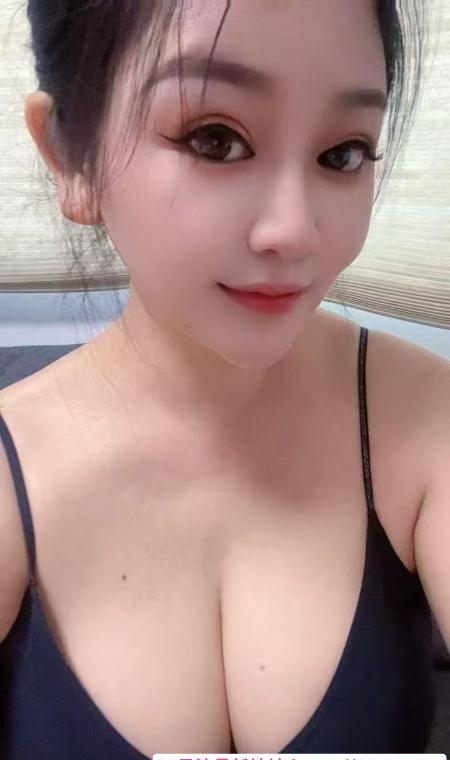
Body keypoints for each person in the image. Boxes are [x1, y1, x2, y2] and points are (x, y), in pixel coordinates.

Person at [0, 0, 449, 756]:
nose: (293, 231)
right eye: (216, 139)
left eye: (343, 153)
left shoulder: (425, 421)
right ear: (71, 157)